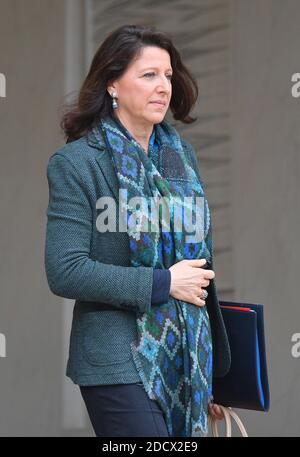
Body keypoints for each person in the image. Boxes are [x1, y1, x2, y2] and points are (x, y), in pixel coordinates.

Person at [45, 24, 231, 437]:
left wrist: (209, 370)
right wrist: (163, 283)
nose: (163, 86)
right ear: (112, 83)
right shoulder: (77, 164)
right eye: (148, 75)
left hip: (189, 356)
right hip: (117, 361)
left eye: (167, 75)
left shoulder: (180, 157)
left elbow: (200, 269)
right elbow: (65, 270)